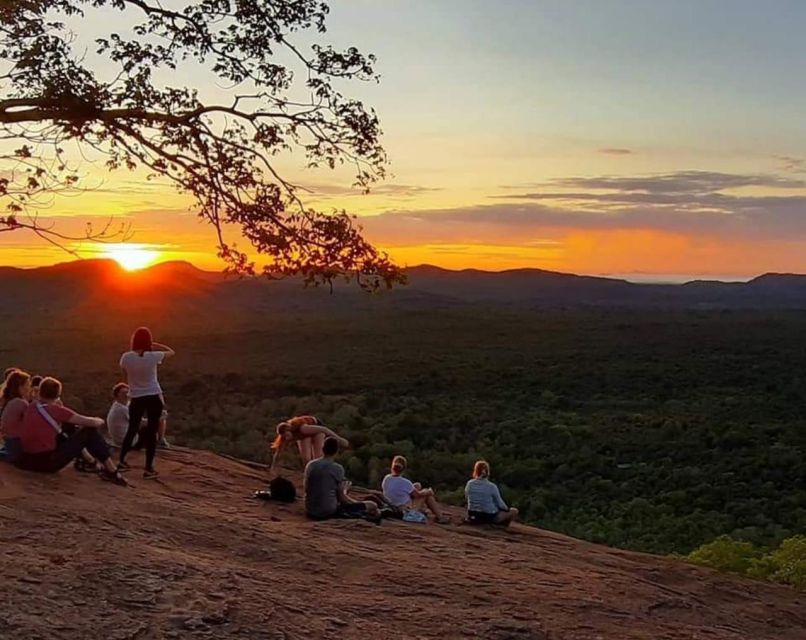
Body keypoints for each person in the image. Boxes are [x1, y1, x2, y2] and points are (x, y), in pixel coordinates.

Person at [11, 377, 126, 485]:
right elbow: (88, 422)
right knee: (88, 432)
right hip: (47, 462)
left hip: (27, 460)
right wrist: (99, 420)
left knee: (69, 427)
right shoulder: (55, 410)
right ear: (58, 394)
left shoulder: (33, 406)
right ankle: (112, 471)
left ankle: (89, 462)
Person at [118, 327, 174, 479]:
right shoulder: (153, 356)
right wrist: (154, 345)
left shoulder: (126, 357)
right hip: (153, 396)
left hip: (136, 397)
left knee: (132, 428)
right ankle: (148, 468)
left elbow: (125, 376)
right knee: (151, 432)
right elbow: (171, 351)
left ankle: (121, 461)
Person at [303, 436, 379, 522]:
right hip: (327, 511)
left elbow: (307, 488)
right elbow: (343, 499)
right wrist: (345, 490)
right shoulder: (337, 468)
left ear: (323, 449)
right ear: (336, 451)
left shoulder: (310, 464)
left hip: (309, 509)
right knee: (373, 505)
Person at [269, 415, 349, 475]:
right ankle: (310, 475)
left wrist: (339, 439)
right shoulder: (285, 436)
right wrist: (273, 466)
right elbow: (278, 451)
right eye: (284, 437)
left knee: (318, 456)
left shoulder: (302, 428)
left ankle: (322, 474)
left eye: (287, 435)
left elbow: (324, 429)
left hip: (317, 428)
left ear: (289, 430)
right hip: (303, 435)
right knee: (306, 458)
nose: (287, 438)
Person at [382, 455, 450, 524]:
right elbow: (418, 495)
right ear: (404, 469)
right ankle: (440, 517)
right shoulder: (405, 482)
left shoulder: (386, 478)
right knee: (427, 496)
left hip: (391, 505)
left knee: (417, 485)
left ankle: (423, 510)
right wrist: (428, 491)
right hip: (405, 511)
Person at [107, 383, 170, 448]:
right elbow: (141, 423)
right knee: (154, 424)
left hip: (119, 440)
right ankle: (160, 441)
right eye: (123, 393)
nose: (126, 395)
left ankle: (159, 440)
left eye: (127, 392)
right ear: (117, 395)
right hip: (129, 442)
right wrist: (160, 418)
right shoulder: (121, 409)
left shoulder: (117, 405)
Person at [465, 460, 518, 527]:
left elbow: (467, 497)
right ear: (488, 472)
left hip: (473, 514)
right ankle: (501, 527)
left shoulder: (469, 483)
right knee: (514, 511)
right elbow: (500, 504)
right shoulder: (492, 486)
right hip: (488, 516)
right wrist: (507, 509)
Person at [0, 369, 32, 462]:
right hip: (15, 439)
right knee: (15, 458)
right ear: (20, 387)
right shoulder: (20, 403)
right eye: (28, 385)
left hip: (9, 438)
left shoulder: (12, 400)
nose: (29, 388)